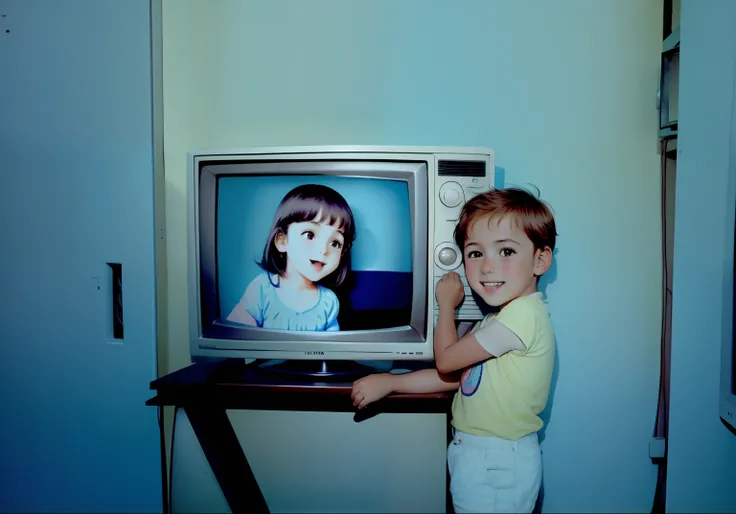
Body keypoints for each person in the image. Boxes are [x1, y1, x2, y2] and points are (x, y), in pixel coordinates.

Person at [351, 187, 557, 513]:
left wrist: (446, 305)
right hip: (483, 456)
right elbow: (457, 377)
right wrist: (390, 382)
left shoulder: (522, 315)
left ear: (540, 259)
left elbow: (445, 359)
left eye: (505, 251)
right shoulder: (499, 320)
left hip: (497, 460)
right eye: (476, 253)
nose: (488, 266)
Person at [226, 184, 355, 331]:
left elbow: (333, 350)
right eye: (310, 235)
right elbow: (234, 337)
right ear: (282, 241)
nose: (323, 250)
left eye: (335, 243)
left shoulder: (329, 301)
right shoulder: (262, 289)